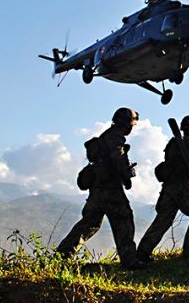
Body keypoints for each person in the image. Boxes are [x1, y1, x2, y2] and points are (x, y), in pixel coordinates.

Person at [56, 107, 144, 269]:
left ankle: (62, 255)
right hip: (110, 187)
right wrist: (126, 173)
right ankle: (129, 260)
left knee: (90, 222)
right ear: (126, 124)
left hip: (97, 187)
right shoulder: (116, 137)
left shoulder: (106, 136)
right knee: (123, 219)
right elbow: (117, 157)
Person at [137, 115, 189, 261]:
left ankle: (143, 252)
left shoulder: (173, 143)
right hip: (183, 185)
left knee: (163, 219)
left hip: (169, 187)